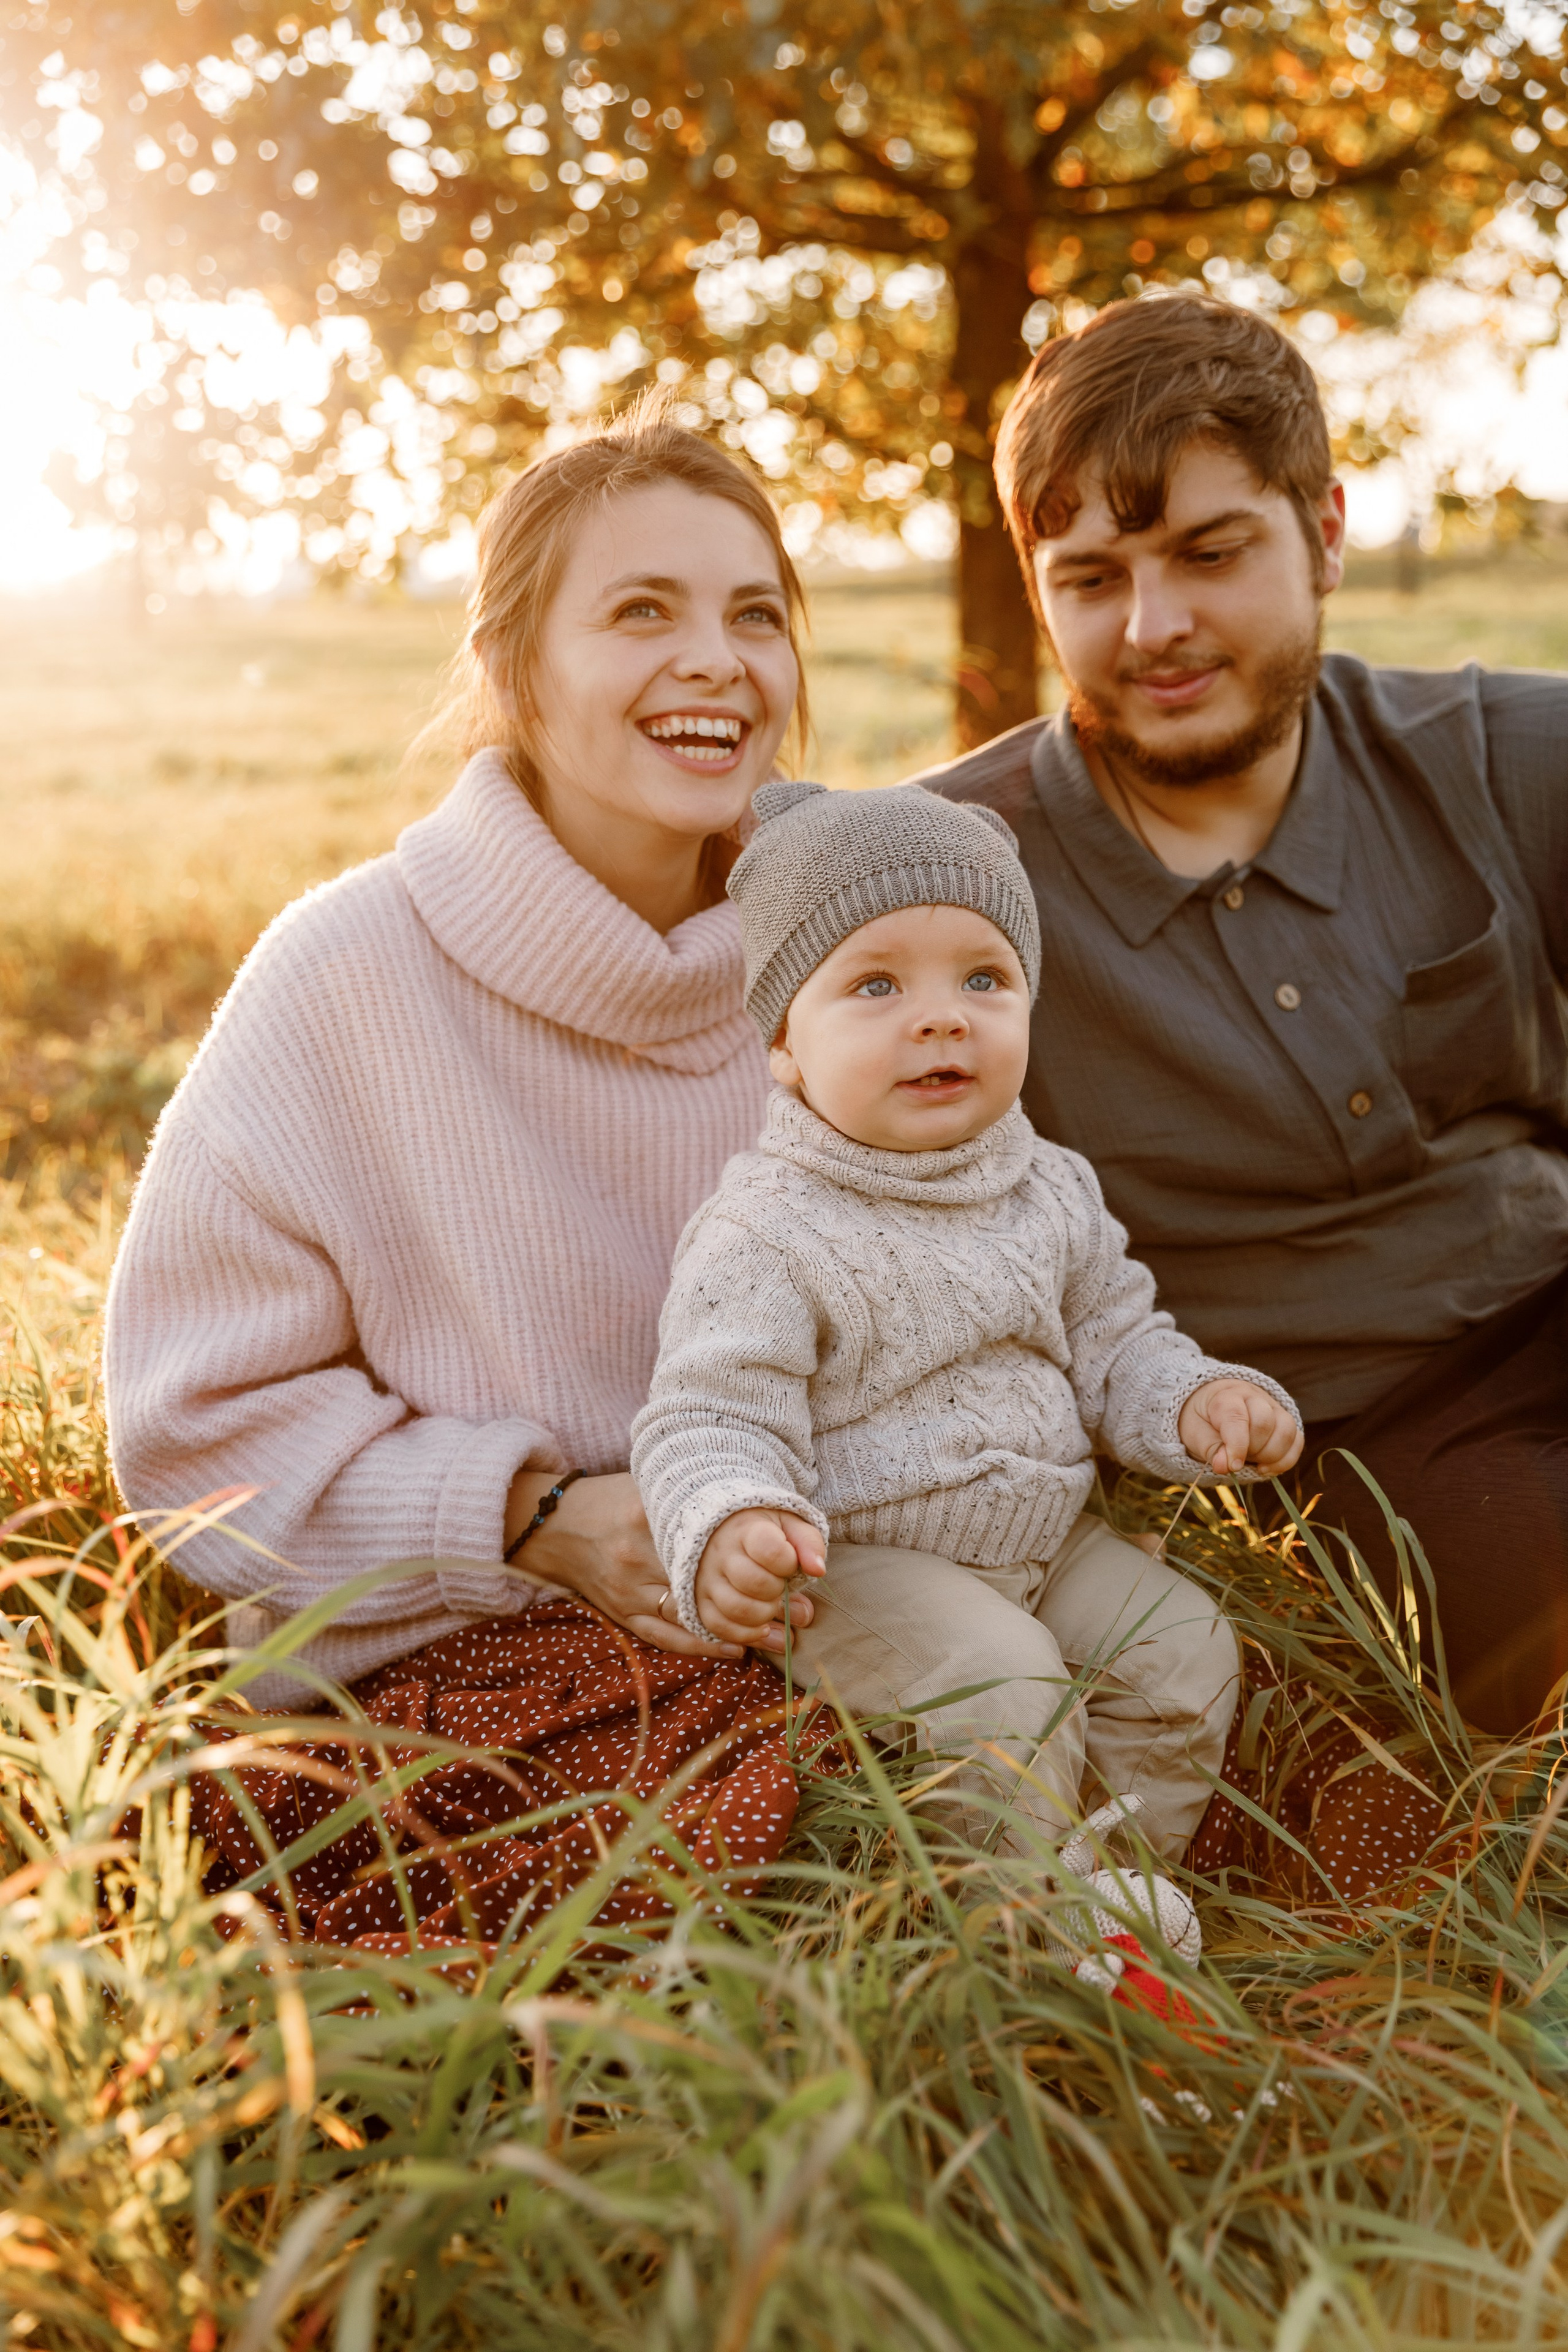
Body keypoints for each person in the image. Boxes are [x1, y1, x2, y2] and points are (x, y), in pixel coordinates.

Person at [101, 405, 833, 1943]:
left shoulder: (839, 966)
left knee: (1092, 1714)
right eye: (642, 611)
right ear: (512, 672)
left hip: (808, 1607)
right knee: (796, 1803)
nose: (716, 659)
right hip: (453, 1661)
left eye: (753, 614)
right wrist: (532, 1515)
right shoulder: (342, 977)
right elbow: (189, 1442)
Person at [913, 293, 1568, 1735]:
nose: (1154, 627)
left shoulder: (1501, 755)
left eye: (1210, 554)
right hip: (1333, 1425)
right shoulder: (949, 876)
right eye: (1091, 578)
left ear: (1323, 530)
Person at [632, 778, 1301, 1893]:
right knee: (1008, 1692)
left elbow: (1116, 1343)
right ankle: (1005, 1949)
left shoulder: (1048, 1186)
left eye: (983, 980)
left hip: (1050, 1538)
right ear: (785, 1045)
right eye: (876, 983)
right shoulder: (767, 1229)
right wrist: (732, 1517)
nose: (941, 1016)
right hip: (863, 1565)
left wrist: (1191, 1403)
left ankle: (1118, 1903)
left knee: (1183, 1653)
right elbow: (709, 1411)